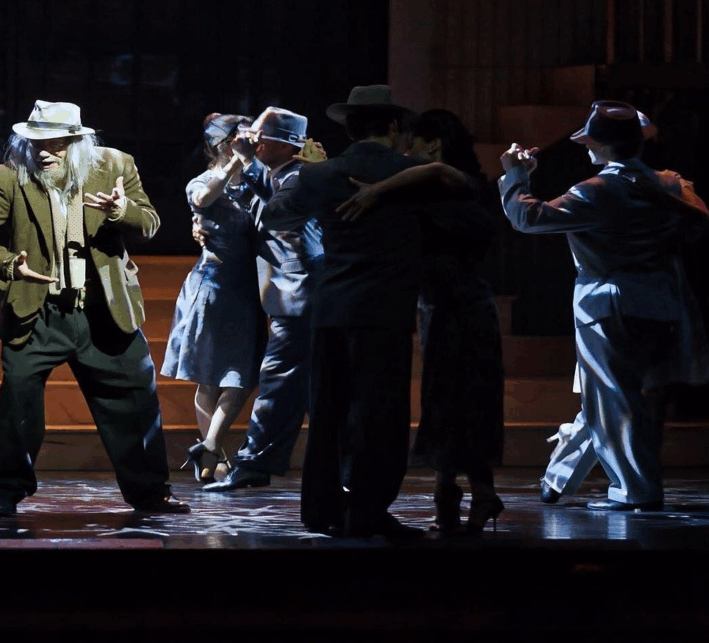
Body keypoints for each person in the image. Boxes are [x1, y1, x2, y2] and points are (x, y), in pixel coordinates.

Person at [0, 100, 188, 516]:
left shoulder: (115, 165)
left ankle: (151, 492)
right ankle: (3, 491)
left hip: (104, 310)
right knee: (18, 402)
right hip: (37, 312)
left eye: (55, 142)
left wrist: (122, 212)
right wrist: (9, 264)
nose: (43, 151)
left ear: (78, 141)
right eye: (35, 141)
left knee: (134, 402)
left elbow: (149, 222)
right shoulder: (9, 177)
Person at [499, 100, 709, 511]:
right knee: (615, 396)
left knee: (616, 398)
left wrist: (515, 178)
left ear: (600, 147)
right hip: (659, 302)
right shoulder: (668, 183)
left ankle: (637, 490)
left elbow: (529, 219)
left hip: (606, 306)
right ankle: (559, 477)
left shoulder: (599, 190)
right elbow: (697, 216)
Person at [262, 85, 438, 538]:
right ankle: (368, 510)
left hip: (332, 305)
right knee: (380, 412)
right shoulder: (413, 172)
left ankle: (320, 509)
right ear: (395, 126)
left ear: (348, 128)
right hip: (385, 307)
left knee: (327, 410)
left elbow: (275, 217)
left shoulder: (322, 175)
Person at [342, 109, 505, 534]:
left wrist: (378, 188)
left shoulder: (457, 185)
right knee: (448, 399)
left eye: (412, 142)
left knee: (460, 399)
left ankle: (461, 494)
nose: (404, 150)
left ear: (433, 144)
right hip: (442, 307)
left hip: (463, 307)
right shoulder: (437, 194)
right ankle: (458, 493)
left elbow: (434, 172)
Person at [203, 107, 324, 492]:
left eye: (258, 136)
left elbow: (276, 213)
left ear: (283, 144)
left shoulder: (300, 176)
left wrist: (247, 160)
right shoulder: (273, 176)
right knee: (285, 388)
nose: (250, 141)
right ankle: (257, 464)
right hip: (282, 297)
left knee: (278, 385)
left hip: (300, 296)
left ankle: (253, 465)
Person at [161, 113, 265, 482]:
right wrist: (238, 159)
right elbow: (204, 198)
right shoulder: (203, 181)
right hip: (212, 289)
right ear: (218, 147)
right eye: (233, 141)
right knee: (209, 379)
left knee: (241, 378)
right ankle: (214, 454)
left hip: (247, 291)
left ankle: (208, 448)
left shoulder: (256, 183)